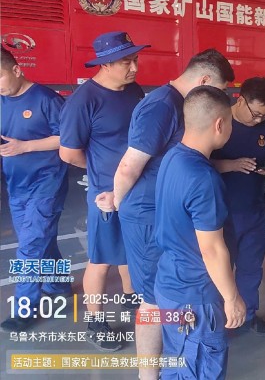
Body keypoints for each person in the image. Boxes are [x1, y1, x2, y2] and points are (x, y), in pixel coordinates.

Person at [113, 49, 234, 379]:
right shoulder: (162, 106)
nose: (219, 99)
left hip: (161, 215)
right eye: (220, 90)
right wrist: (119, 206)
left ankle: (173, 358)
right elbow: (128, 167)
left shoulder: (178, 127)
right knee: (154, 302)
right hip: (146, 218)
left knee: (162, 297)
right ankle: (149, 374)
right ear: (205, 81)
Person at [59, 31, 148, 351]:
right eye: (126, 62)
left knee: (131, 247)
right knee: (101, 258)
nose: (134, 67)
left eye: (135, 60)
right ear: (106, 64)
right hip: (104, 194)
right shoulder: (84, 101)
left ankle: (131, 298)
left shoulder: (133, 90)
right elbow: (68, 153)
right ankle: (95, 321)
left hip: (136, 186)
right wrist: (102, 172)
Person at [154, 85, 246, 380]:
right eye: (230, 122)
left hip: (170, 284)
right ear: (219, 124)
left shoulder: (172, 158)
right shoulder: (204, 178)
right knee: (199, 366)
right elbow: (212, 249)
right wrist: (232, 298)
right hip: (196, 297)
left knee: (176, 360)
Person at [0, 47, 71, 332]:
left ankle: (24, 309)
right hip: (16, 184)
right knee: (41, 240)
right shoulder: (2, 100)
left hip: (46, 183)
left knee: (30, 247)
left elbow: (68, 138)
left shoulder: (46, 99)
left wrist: (25, 146)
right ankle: (59, 284)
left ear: (17, 70)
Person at [212, 77, 265, 336]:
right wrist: (230, 165)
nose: (259, 120)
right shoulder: (218, 123)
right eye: (255, 114)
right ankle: (217, 318)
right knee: (219, 270)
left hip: (254, 212)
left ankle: (248, 314)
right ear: (240, 100)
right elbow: (196, 161)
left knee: (251, 268)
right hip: (220, 214)